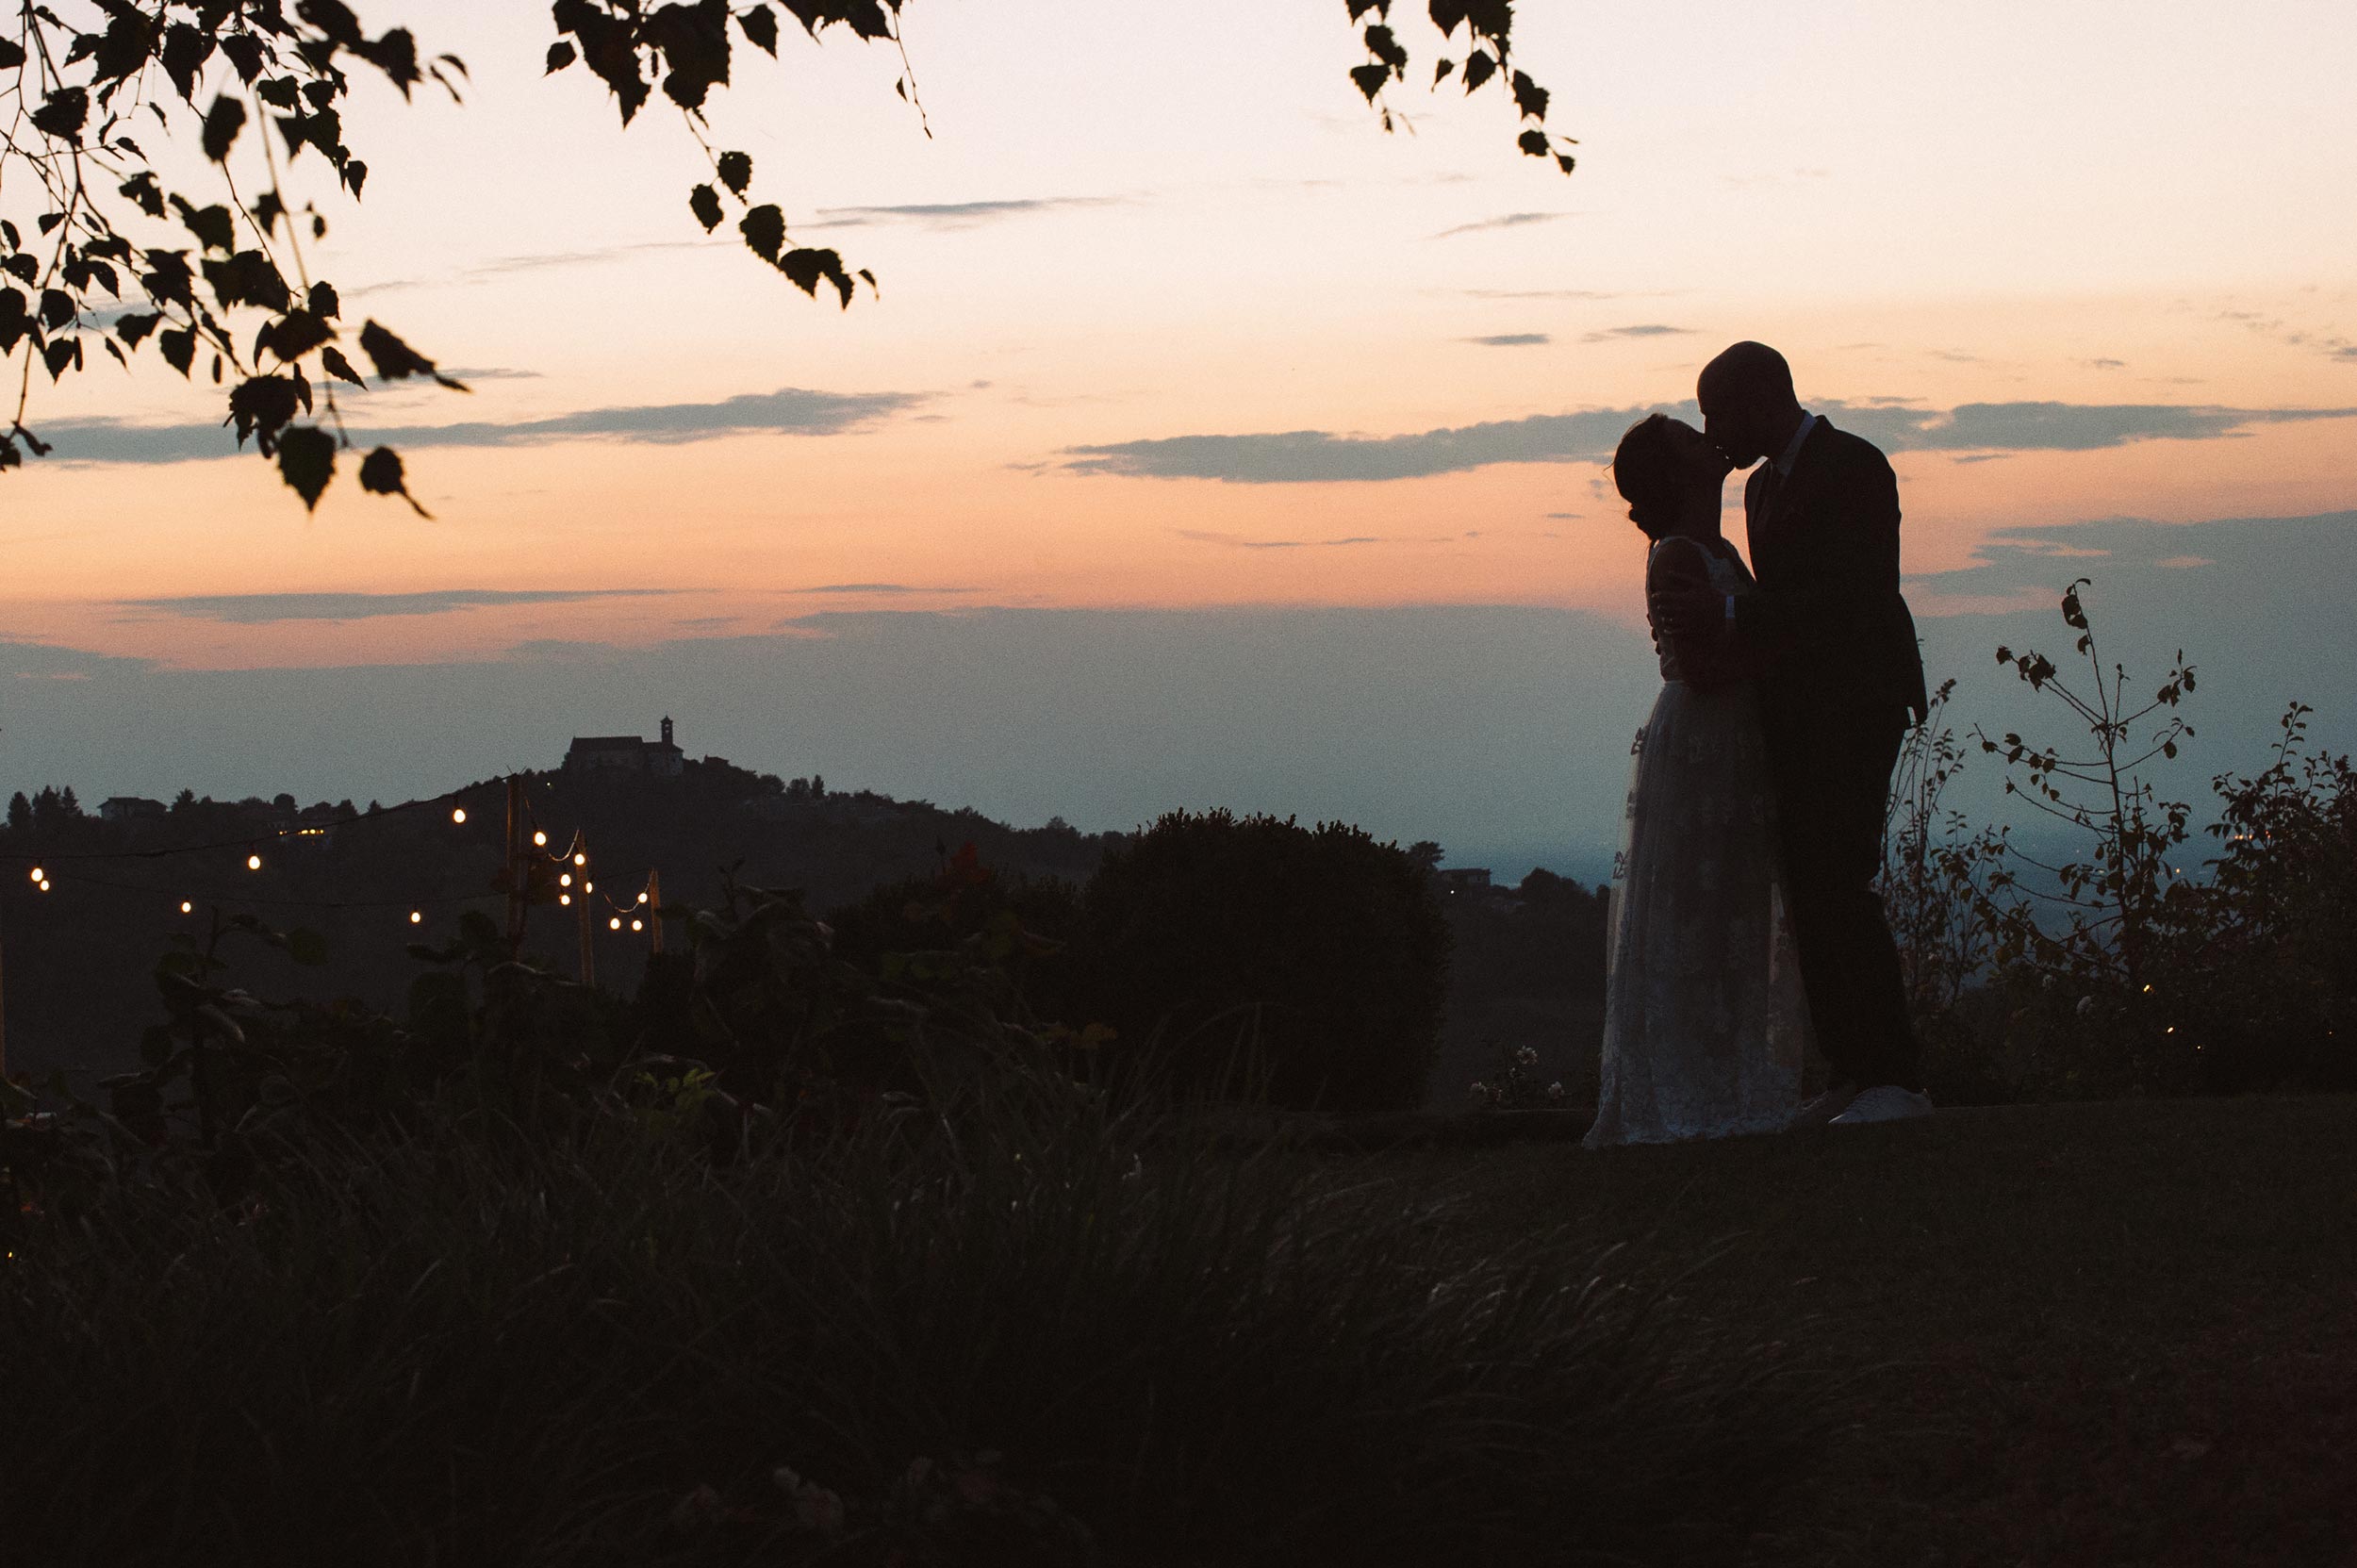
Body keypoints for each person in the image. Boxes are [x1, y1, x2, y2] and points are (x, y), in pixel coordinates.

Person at [1650, 342, 1935, 1127]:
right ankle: (1852, 1068)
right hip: (1801, 710)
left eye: (1718, 414)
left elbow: (1856, 597)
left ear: (1764, 398)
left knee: (1842, 877)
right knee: (1810, 889)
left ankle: (1895, 1077)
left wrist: (1734, 615)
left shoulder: (1855, 466)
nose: (1713, 433)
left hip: (1857, 702)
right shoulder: (1762, 489)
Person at [1584, 413, 1809, 1147]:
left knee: (1733, 913)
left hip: (1735, 746)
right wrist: (1789, 647)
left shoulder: (1721, 550)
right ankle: (1691, 1081)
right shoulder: (1678, 554)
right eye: (1690, 436)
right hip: (1702, 747)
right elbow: (1705, 667)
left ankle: (1730, 1068)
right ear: (1676, 472)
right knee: (1697, 913)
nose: (1708, 439)